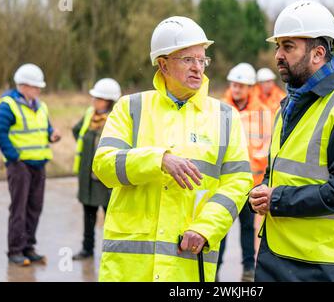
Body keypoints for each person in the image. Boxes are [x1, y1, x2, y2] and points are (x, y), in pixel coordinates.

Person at [92, 16, 253, 282]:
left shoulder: (226, 116)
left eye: (202, 60)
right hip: (129, 270)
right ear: (163, 64)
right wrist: (159, 160)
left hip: (187, 264)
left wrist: (206, 229)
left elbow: (238, 182)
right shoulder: (130, 108)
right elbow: (105, 166)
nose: (198, 68)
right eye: (187, 59)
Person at [248, 0, 334, 282]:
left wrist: (277, 199)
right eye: (277, 46)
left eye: (288, 46)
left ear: (318, 53)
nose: (278, 55)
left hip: (320, 266)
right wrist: (263, 193)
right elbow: (280, 174)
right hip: (274, 257)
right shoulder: (288, 105)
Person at [0, 63, 61, 266]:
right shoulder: (8, 105)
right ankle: (15, 250)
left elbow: (45, 128)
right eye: (35, 86)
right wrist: (14, 157)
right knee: (19, 208)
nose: (39, 90)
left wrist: (52, 135)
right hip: (19, 165)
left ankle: (28, 248)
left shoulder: (41, 106)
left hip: (39, 164)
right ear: (23, 85)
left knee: (35, 207)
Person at [218, 62, 270, 282]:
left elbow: (266, 148)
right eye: (233, 84)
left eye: (240, 85)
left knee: (248, 228)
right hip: (222, 183)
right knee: (218, 228)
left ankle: (249, 269)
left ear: (250, 87)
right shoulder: (218, 109)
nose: (235, 89)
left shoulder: (263, 112)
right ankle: (214, 272)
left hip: (250, 183)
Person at [71, 78, 122, 260]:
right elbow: (77, 130)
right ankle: (87, 249)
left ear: (109, 101)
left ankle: (114, 252)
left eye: (98, 98)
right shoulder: (89, 115)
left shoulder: (117, 119)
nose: (94, 101)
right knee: (88, 215)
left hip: (107, 181)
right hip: (88, 179)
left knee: (112, 217)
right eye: (94, 98)